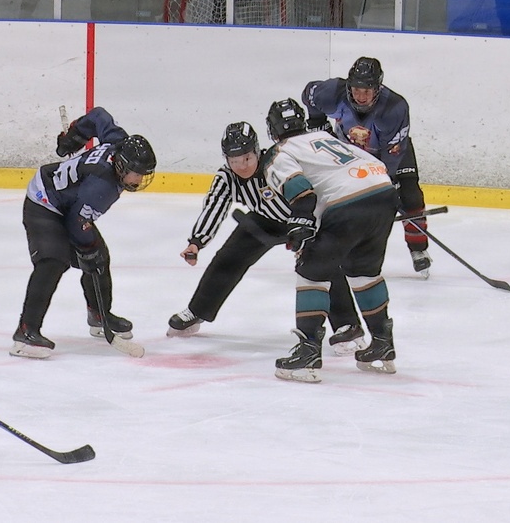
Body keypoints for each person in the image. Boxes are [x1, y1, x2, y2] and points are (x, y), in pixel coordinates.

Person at [168, 121, 367, 355]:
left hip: (301, 220)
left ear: (256, 151)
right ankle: (198, 310)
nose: (241, 166)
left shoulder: (277, 163)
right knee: (228, 258)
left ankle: (347, 325)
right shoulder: (227, 178)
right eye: (233, 161)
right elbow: (215, 207)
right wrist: (196, 241)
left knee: (322, 265)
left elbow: (313, 191)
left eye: (246, 159)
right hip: (264, 221)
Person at [263, 99, 400, 383]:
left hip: (345, 204)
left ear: (273, 130)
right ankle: (382, 343)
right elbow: (377, 166)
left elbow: (299, 189)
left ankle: (308, 350)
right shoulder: (326, 137)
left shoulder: (279, 152)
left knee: (311, 271)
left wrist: (301, 222)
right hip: (382, 194)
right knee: (364, 270)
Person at [11, 107, 157, 359]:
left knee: (99, 258)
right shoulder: (102, 188)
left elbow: (99, 116)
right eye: (136, 173)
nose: (138, 179)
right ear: (121, 166)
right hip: (43, 202)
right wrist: (86, 250)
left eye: (144, 174)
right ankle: (25, 332)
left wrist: (73, 137)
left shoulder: (118, 142)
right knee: (53, 261)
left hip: (68, 203)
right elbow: (76, 223)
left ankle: (99, 315)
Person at [302, 56, 433, 277]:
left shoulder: (394, 108)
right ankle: (330, 248)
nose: (360, 96)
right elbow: (309, 94)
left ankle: (419, 250)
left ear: (378, 89)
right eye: (356, 90)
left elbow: (390, 159)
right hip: (348, 153)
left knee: (411, 198)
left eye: (367, 91)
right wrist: (318, 124)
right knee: (337, 202)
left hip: (391, 154)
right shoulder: (333, 92)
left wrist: (382, 187)